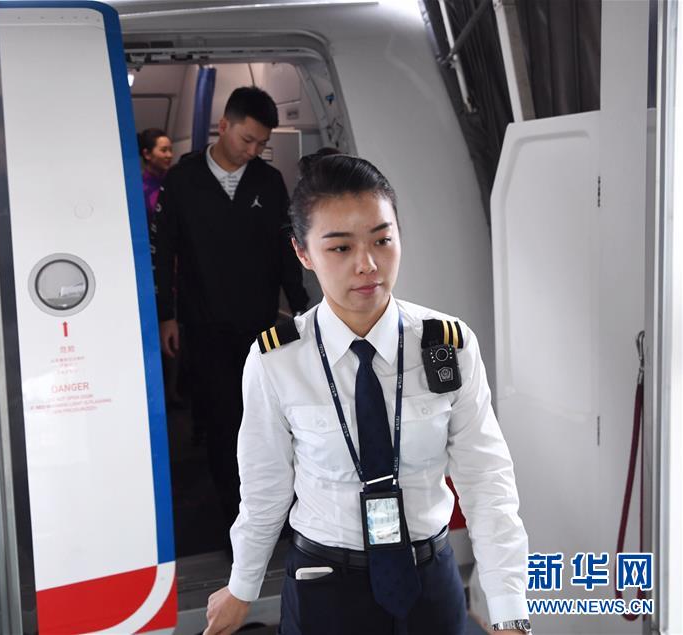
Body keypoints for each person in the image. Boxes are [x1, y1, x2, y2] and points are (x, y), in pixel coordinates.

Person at [204, 154, 530, 634]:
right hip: (325, 588)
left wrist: (508, 605)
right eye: (340, 247)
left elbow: (486, 478)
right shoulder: (278, 360)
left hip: (430, 582)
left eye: (382, 240)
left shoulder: (448, 344)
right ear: (302, 252)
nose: (367, 265)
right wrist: (242, 586)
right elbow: (264, 486)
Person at [151, 86, 310, 538]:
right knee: (224, 423)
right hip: (204, 323)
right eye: (247, 139)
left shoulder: (268, 181)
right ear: (223, 126)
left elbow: (285, 252)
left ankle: (276, 512)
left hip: (259, 324)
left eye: (262, 143)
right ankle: (235, 521)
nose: (253, 151)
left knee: (268, 422)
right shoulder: (183, 181)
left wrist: (301, 309)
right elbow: (164, 252)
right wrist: (167, 315)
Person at [138, 128, 173, 222]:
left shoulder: (175, 182)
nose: (169, 155)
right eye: (164, 150)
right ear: (147, 154)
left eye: (170, 150)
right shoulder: (139, 189)